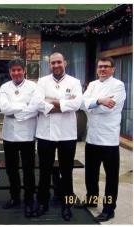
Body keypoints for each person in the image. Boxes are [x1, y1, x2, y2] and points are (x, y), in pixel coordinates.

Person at [35, 52, 82, 221]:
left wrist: (53, 101)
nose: (56, 65)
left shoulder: (74, 82)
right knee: (44, 171)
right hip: (45, 134)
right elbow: (38, 103)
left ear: (65, 63)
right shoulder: (42, 82)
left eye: (58, 62)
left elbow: (76, 104)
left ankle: (66, 204)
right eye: (53, 63)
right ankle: (42, 203)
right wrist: (63, 105)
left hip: (67, 134)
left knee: (66, 171)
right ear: (49, 65)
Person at [80, 57, 126, 222]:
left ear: (113, 69)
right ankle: (92, 200)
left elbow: (108, 109)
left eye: (106, 67)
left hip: (109, 140)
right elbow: (81, 104)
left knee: (111, 177)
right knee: (90, 173)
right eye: (100, 66)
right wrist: (99, 101)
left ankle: (109, 208)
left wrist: (91, 106)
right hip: (92, 138)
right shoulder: (92, 85)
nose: (103, 69)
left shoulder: (118, 85)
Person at [0, 58, 39, 217]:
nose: (16, 73)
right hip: (9, 135)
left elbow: (35, 108)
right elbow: (4, 108)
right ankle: (14, 197)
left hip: (28, 135)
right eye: (13, 70)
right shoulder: (4, 87)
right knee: (11, 169)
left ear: (24, 71)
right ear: (9, 72)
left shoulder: (33, 87)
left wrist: (15, 111)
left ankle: (29, 200)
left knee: (28, 170)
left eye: (19, 70)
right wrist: (24, 108)